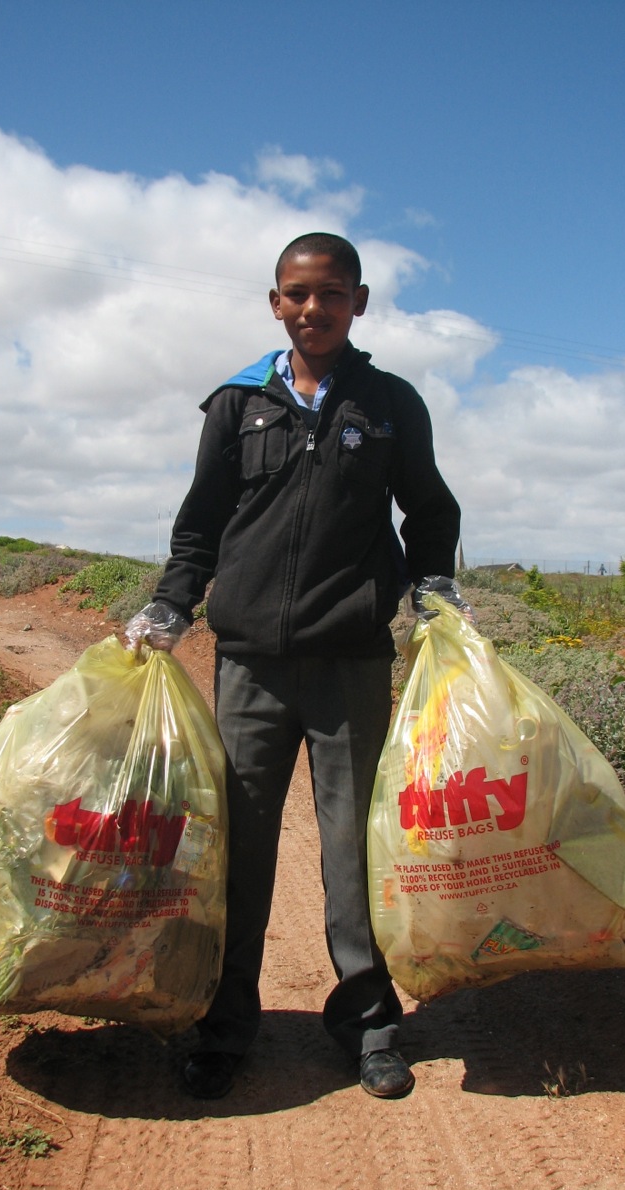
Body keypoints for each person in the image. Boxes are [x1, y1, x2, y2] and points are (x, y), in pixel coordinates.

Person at [126, 232, 462, 1100]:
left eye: (332, 294)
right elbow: (200, 523)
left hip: (351, 663)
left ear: (360, 301)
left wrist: (433, 586)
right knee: (238, 850)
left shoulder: (389, 404)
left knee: (355, 855)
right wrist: (172, 602)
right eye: (297, 294)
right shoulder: (237, 404)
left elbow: (429, 507)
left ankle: (370, 1024)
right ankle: (223, 1024)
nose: (314, 309)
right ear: (275, 301)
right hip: (249, 668)